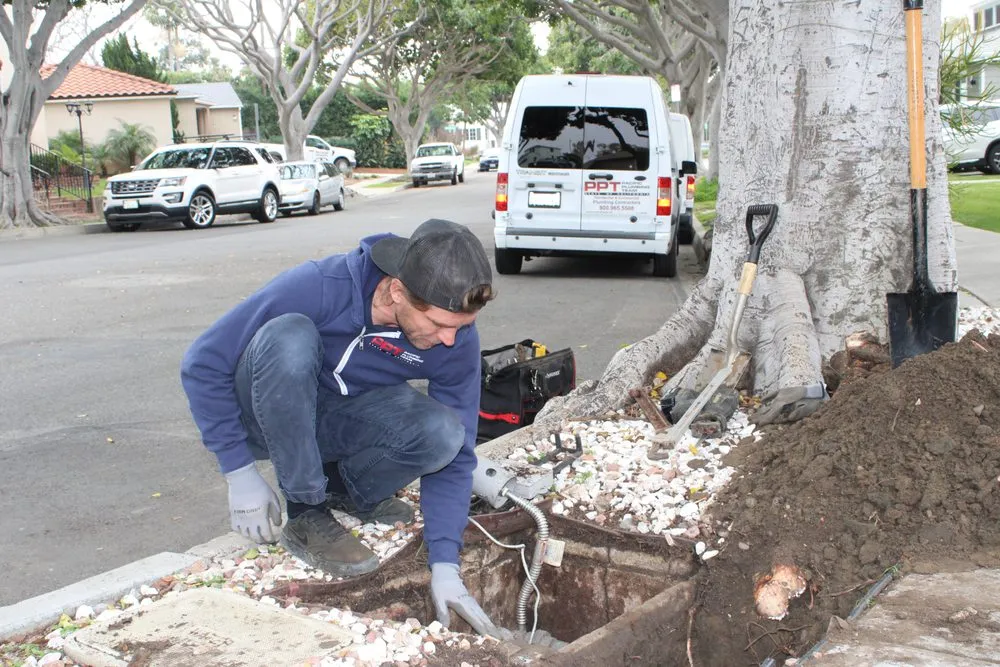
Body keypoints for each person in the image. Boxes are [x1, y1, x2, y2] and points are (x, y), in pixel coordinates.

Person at [181, 219, 502, 636]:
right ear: (397, 291)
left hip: (337, 421)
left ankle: (341, 489)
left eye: (460, 326)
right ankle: (305, 511)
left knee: (445, 432)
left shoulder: (455, 339)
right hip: (267, 412)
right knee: (290, 337)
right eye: (440, 324)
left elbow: (458, 455)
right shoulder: (320, 286)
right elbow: (203, 363)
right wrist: (238, 472)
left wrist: (445, 564)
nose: (449, 340)